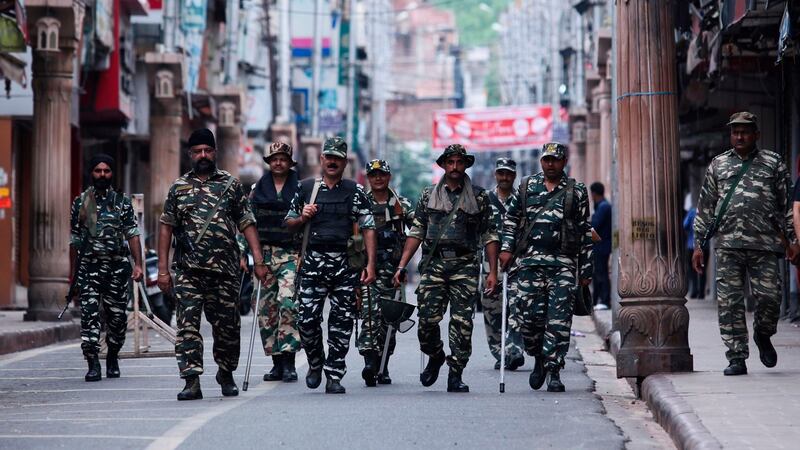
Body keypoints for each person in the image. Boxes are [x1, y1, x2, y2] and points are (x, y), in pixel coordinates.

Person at [157, 128, 269, 400]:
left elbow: (247, 222)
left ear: (215, 152)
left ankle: (226, 372)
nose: (203, 155)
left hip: (225, 272)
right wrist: (163, 269)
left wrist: (259, 261)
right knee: (187, 326)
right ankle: (191, 380)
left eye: (207, 150)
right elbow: (166, 228)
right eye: (198, 151)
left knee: (227, 327)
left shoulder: (230, 185)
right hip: (188, 272)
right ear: (190, 154)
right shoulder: (178, 187)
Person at [693, 112, 799, 376]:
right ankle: (736, 356)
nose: (739, 136)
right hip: (728, 245)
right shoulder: (718, 165)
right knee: (730, 303)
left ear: (756, 135)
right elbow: (705, 207)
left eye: (745, 131)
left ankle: (763, 334)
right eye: (735, 131)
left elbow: (787, 205)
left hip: (764, 245)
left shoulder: (773, 163)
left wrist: (794, 241)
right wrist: (698, 245)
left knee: (770, 298)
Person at [392, 144, 499, 393]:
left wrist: (492, 272)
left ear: (465, 165)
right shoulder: (428, 195)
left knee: (462, 323)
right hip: (434, 265)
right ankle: (436, 355)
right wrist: (402, 265)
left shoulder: (480, 197)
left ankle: (456, 372)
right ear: (442, 165)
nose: (454, 167)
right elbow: (416, 230)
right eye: (450, 162)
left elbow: (490, 234)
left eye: (459, 162)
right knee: (427, 321)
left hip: (465, 265)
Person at [284, 137, 377, 395]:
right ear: (322, 159)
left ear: (344, 162)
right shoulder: (305, 189)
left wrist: (370, 264)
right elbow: (289, 222)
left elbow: (368, 228)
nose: (333, 161)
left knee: (342, 323)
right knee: (306, 320)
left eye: (338, 157)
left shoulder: (355, 191)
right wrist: (302, 216)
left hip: (345, 266)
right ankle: (315, 362)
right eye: (329, 157)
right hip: (313, 263)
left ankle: (334, 374)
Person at [498, 142, 592, 393]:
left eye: (556, 160)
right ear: (541, 161)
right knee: (529, 319)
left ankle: (554, 370)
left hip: (563, 265)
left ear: (564, 162)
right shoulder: (527, 187)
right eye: (546, 159)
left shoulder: (577, 191)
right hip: (529, 263)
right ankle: (538, 355)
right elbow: (510, 220)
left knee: (559, 322)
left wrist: (586, 271)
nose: (550, 164)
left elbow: (585, 231)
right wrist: (506, 249)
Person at [70, 154, 143, 382]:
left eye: (107, 171)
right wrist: (73, 276)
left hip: (116, 268)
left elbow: (132, 234)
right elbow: (75, 240)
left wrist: (138, 264)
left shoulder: (122, 202)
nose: (102, 174)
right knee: (89, 318)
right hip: (89, 267)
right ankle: (93, 363)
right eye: (98, 170)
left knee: (117, 319)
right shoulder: (81, 203)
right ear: (91, 173)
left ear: (112, 174)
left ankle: (112, 356)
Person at [248, 142, 302, 383]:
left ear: (290, 162)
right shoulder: (256, 191)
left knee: (288, 303)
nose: (278, 162)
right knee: (266, 310)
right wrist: (249, 257)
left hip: (291, 255)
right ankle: (277, 363)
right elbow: (247, 225)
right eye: (274, 158)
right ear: (268, 162)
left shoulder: (302, 189)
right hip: (263, 256)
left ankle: (289, 361)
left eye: (283, 158)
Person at [357, 159, 414, 386]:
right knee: (370, 315)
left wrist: (404, 265)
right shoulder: (360, 204)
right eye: (373, 175)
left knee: (388, 321)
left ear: (389, 177)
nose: (378, 178)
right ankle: (370, 363)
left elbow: (417, 231)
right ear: (368, 178)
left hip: (393, 272)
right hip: (367, 270)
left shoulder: (402, 205)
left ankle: (384, 365)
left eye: (382, 174)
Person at [483, 157, 525, 370]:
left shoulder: (522, 199)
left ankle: (514, 350)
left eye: (508, 174)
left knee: (516, 308)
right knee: (493, 311)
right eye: (501, 173)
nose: (505, 177)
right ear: (496, 175)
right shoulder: (486, 199)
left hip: (518, 263)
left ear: (514, 175)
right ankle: (500, 353)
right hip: (490, 265)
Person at [590, 182, 611, 310]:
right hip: (600, 246)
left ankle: (604, 300)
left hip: (602, 246)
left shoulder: (603, 207)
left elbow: (594, 224)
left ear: (594, 193)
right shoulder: (602, 206)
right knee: (597, 273)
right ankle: (597, 301)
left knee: (601, 273)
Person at [682, 205, 706, 299]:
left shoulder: (692, 212)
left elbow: (685, 225)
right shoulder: (705, 211)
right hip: (704, 246)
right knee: (702, 268)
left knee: (692, 269)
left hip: (691, 245)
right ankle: (702, 292)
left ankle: (694, 290)